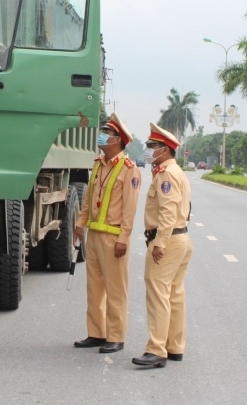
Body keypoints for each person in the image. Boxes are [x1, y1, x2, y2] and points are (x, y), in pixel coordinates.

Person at [72, 113, 142, 354]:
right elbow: (89, 197)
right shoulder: (98, 163)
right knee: (94, 288)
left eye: (107, 132)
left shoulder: (128, 169)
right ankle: (96, 333)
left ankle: (115, 336)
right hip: (93, 236)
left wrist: (124, 238)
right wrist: (80, 224)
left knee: (115, 289)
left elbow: (130, 209)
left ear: (117, 140)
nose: (101, 135)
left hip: (114, 239)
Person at [132, 123, 193, 369]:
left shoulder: (166, 174)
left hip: (168, 240)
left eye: (152, 147)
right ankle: (174, 346)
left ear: (165, 150)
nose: (148, 151)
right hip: (181, 239)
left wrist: (160, 243)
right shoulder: (174, 171)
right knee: (174, 294)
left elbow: (168, 212)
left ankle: (157, 350)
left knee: (158, 295)